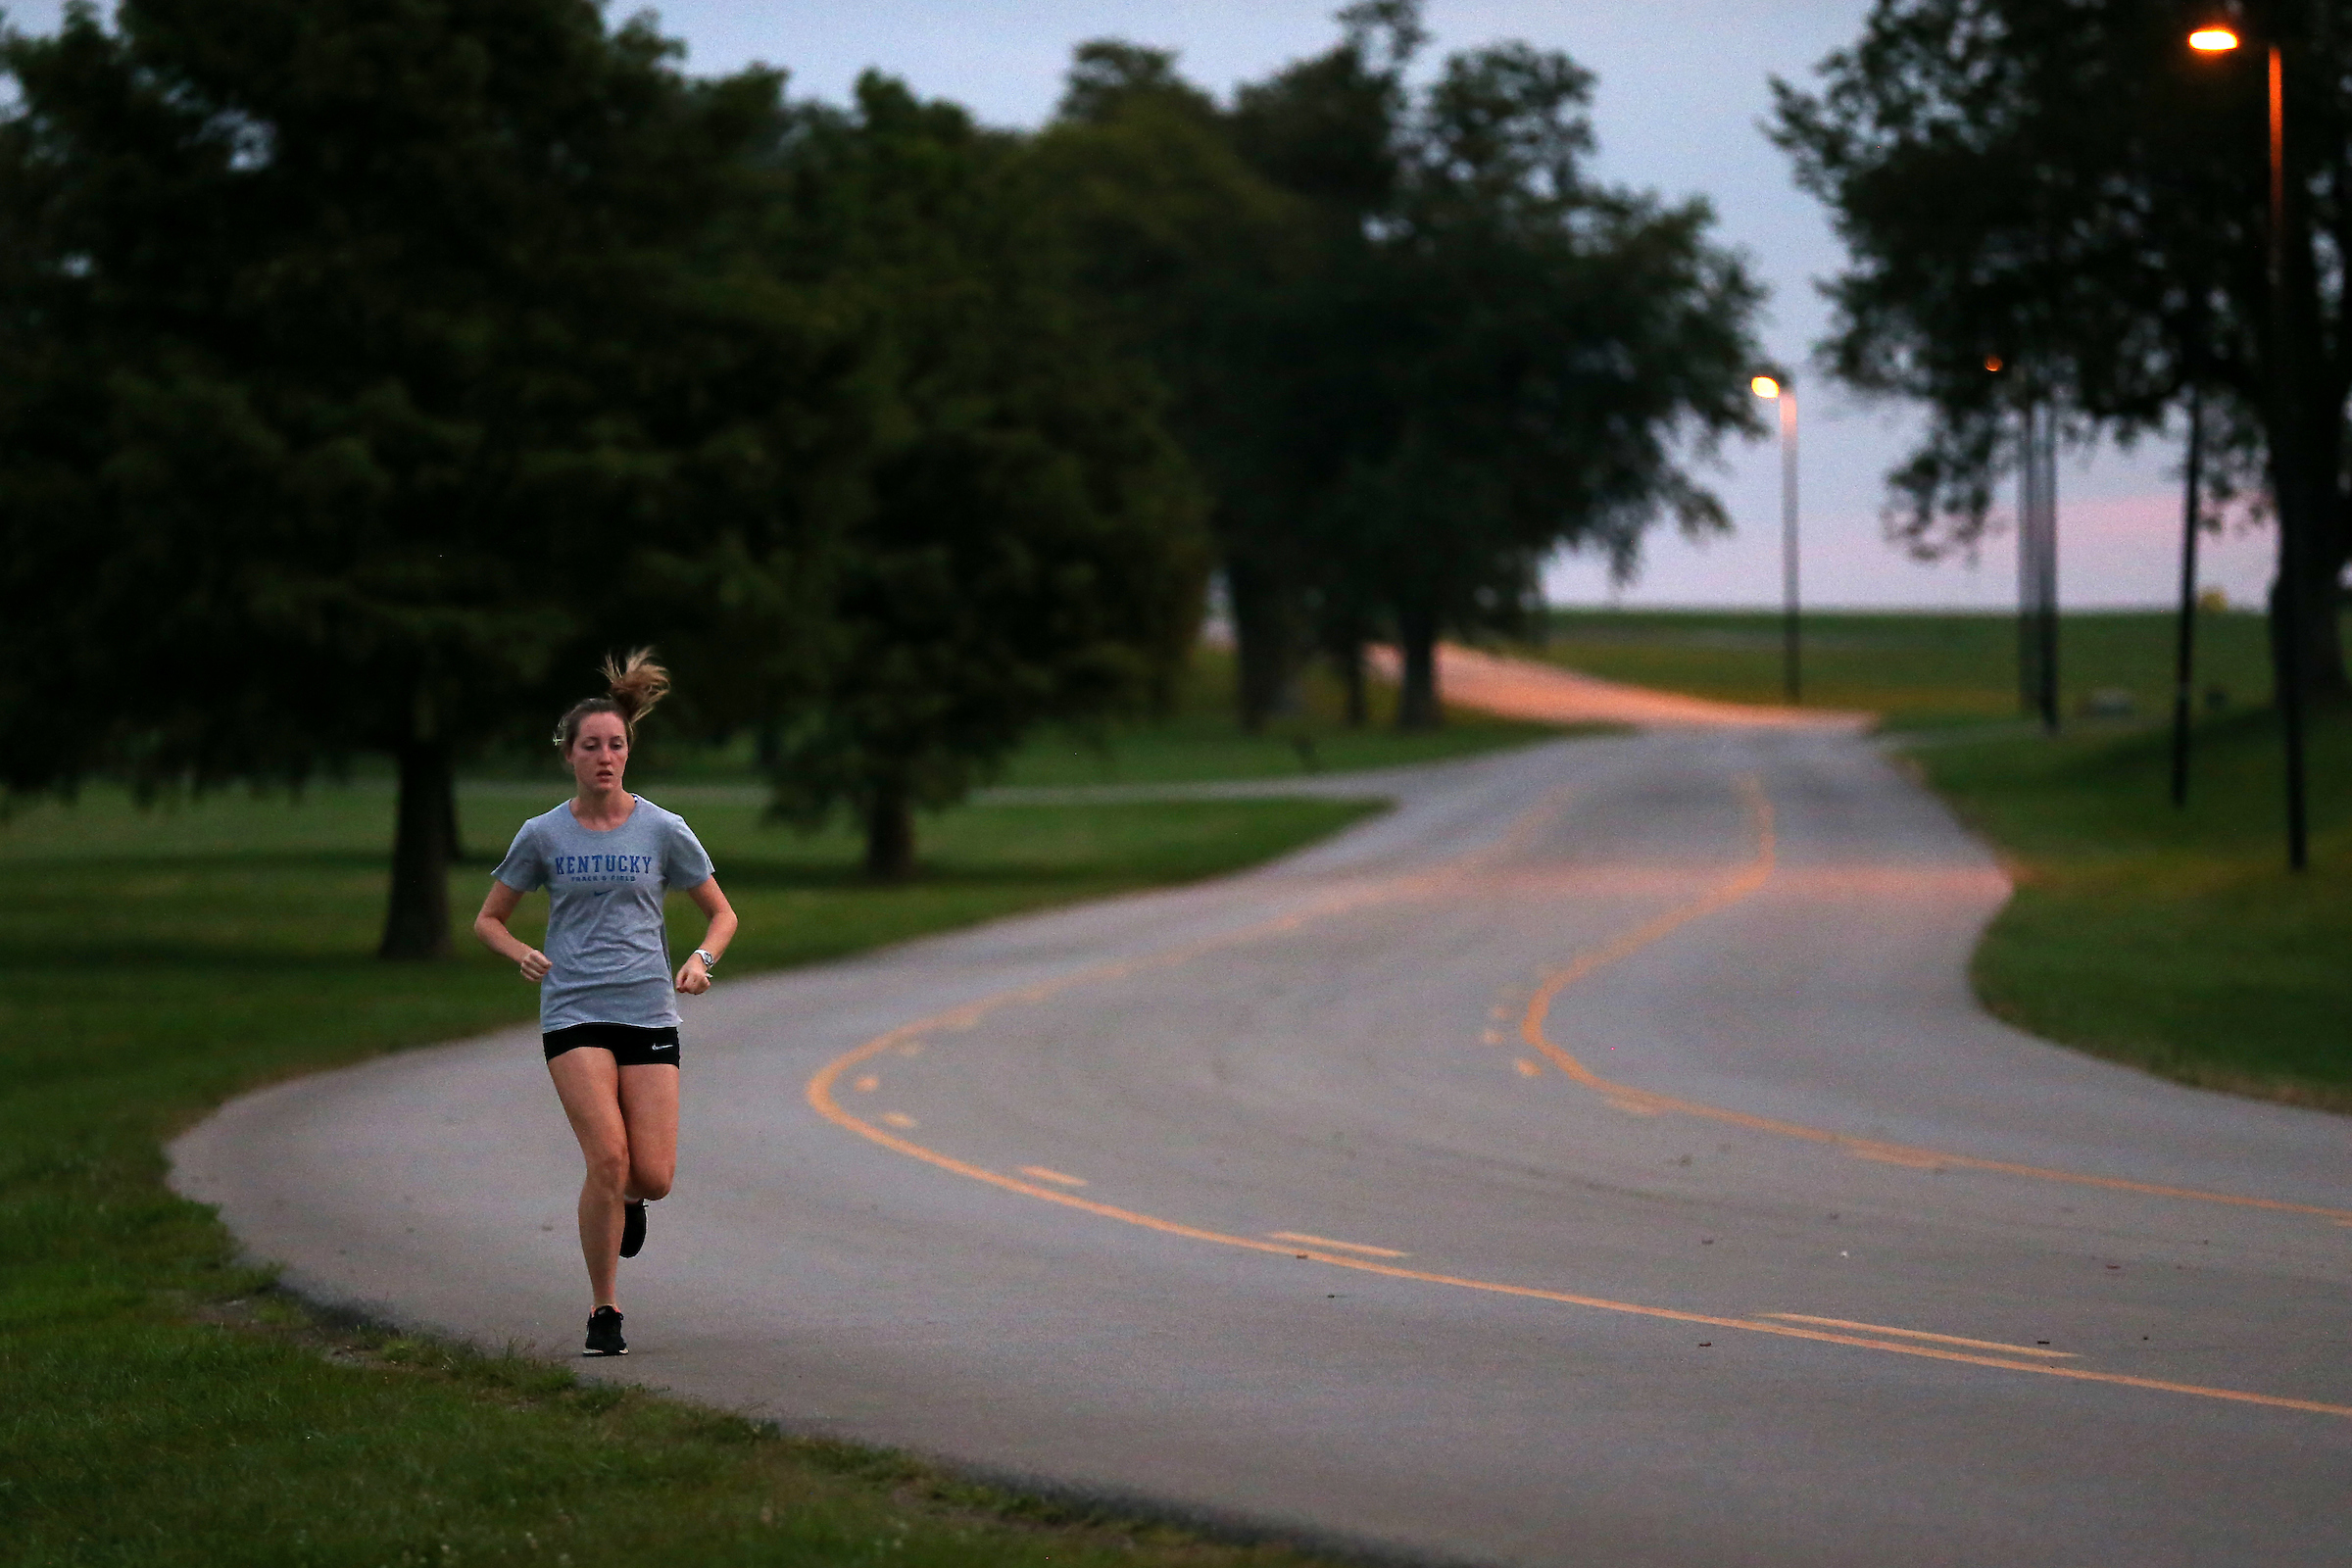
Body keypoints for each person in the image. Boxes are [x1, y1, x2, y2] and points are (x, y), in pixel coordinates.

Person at [473, 650, 737, 1357]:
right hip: (573, 1011)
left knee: (652, 1176)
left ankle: (630, 1202)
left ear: (628, 751)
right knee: (608, 1158)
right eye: (590, 745)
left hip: (649, 1010)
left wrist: (701, 960)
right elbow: (488, 919)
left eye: (615, 744)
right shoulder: (543, 834)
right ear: (568, 755)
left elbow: (722, 915)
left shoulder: (662, 829)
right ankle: (604, 1309)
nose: (605, 756)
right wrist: (519, 951)